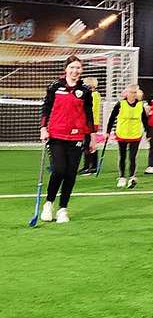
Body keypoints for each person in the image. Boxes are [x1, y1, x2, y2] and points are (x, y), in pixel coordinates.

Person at [39, 55, 95, 224]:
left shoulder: (85, 90)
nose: (75, 71)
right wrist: (43, 128)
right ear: (66, 69)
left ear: (81, 70)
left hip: (77, 136)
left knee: (71, 174)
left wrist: (92, 136)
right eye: (72, 67)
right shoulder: (54, 87)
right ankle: (48, 204)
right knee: (59, 170)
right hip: (56, 135)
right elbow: (46, 108)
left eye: (78, 68)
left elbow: (89, 115)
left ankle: (63, 208)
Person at [107, 83, 148, 189]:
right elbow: (112, 118)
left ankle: (132, 177)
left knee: (132, 157)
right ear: (127, 93)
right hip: (122, 134)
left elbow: (144, 119)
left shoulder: (140, 105)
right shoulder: (120, 104)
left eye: (135, 92)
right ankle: (121, 177)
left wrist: (148, 132)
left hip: (135, 134)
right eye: (131, 92)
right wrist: (108, 131)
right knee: (122, 156)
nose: (133, 94)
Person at [78, 76, 101, 175]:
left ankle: (88, 166)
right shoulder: (96, 95)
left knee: (87, 144)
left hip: (90, 123)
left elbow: (89, 109)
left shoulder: (93, 95)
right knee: (89, 144)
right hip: (92, 122)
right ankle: (93, 166)